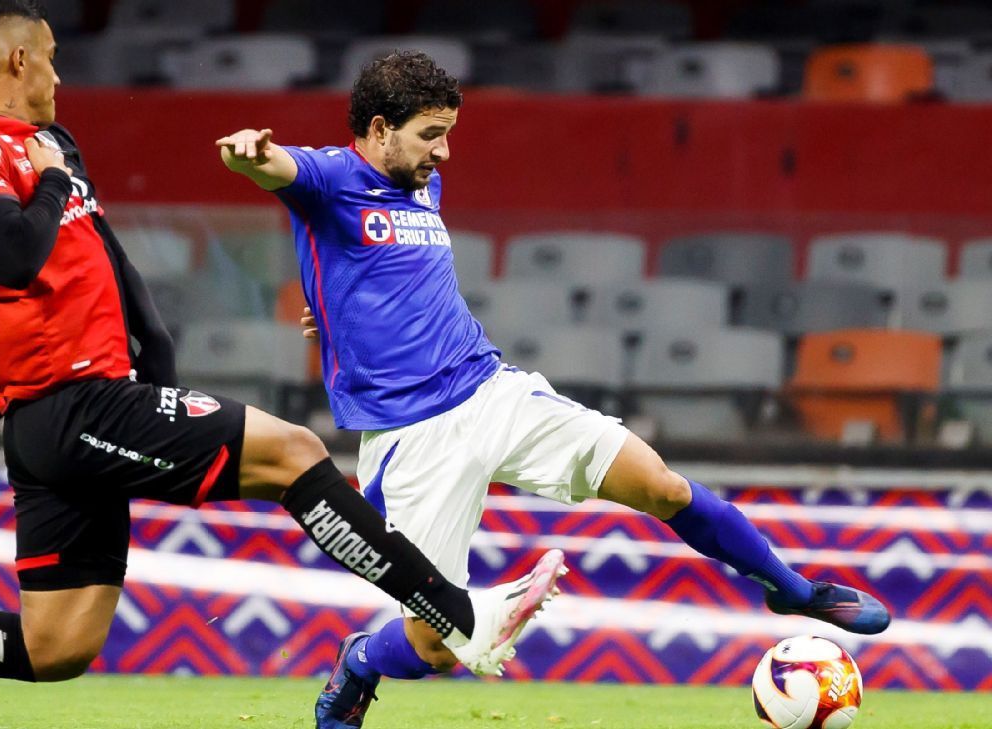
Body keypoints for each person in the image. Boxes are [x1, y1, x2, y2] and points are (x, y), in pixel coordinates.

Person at [0, 8, 568, 728]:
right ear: (19, 57)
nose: (59, 71)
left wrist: (157, 360)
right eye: (52, 55)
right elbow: (13, 256)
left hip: (96, 401)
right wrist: (52, 186)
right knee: (294, 453)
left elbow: (115, 267)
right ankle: (458, 615)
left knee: (55, 648)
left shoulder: (54, 142)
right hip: (67, 399)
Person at [216, 51, 892, 729]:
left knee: (661, 484)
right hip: (410, 439)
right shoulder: (330, 176)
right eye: (430, 134)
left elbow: (380, 277)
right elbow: (271, 167)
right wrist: (248, 155)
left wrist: (331, 309)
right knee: (436, 646)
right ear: (381, 128)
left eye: (450, 132)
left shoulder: (423, 184)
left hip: (491, 389)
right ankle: (362, 658)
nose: (444, 152)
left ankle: (794, 589)